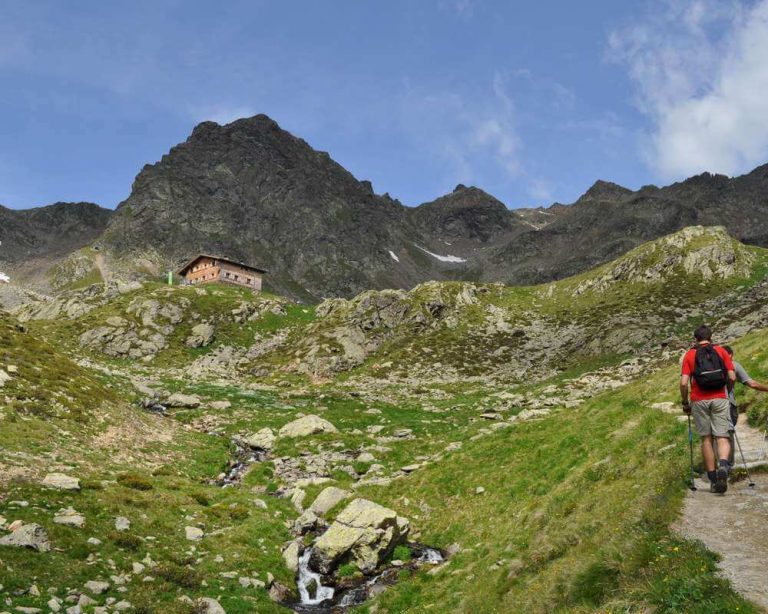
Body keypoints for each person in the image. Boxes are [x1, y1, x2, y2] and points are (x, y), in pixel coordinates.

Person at [680, 325, 736, 493]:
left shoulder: (690, 355)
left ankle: (712, 479)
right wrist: (727, 390)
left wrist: (685, 403)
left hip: (699, 400)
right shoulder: (721, 351)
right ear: (710, 337)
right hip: (719, 397)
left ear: (695, 338)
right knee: (722, 436)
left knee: (706, 438)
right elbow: (732, 376)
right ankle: (724, 466)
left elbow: (683, 383)